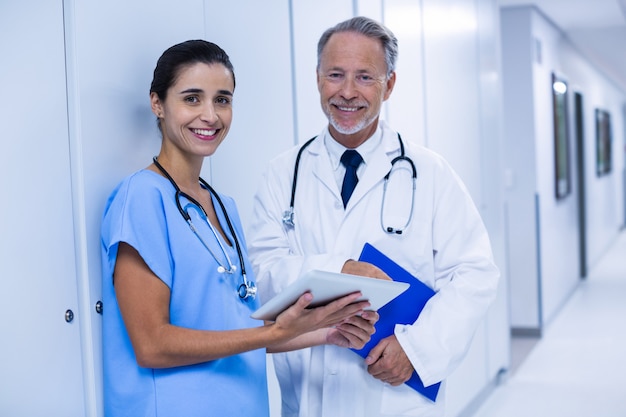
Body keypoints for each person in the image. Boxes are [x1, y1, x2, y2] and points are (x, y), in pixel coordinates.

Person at [100, 39, 379, 417]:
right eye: (192, 98)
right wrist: (277, 332)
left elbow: (235, 328)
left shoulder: (222, 207)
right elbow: (152, 343)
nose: (210, 115)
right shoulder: (141, 198)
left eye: (222, 99)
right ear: (157, 104)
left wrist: (325, 331)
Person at [248, 16, 500, 417]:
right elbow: (262, 275)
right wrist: (343, 269)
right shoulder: (283, 173)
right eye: (335, 74)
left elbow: (474, 273)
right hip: (307, 396)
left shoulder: (430, 173)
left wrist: (417, 351)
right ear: (317, 78)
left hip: (395, 398)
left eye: (365, 77)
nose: (347, 92)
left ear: (390, 84)